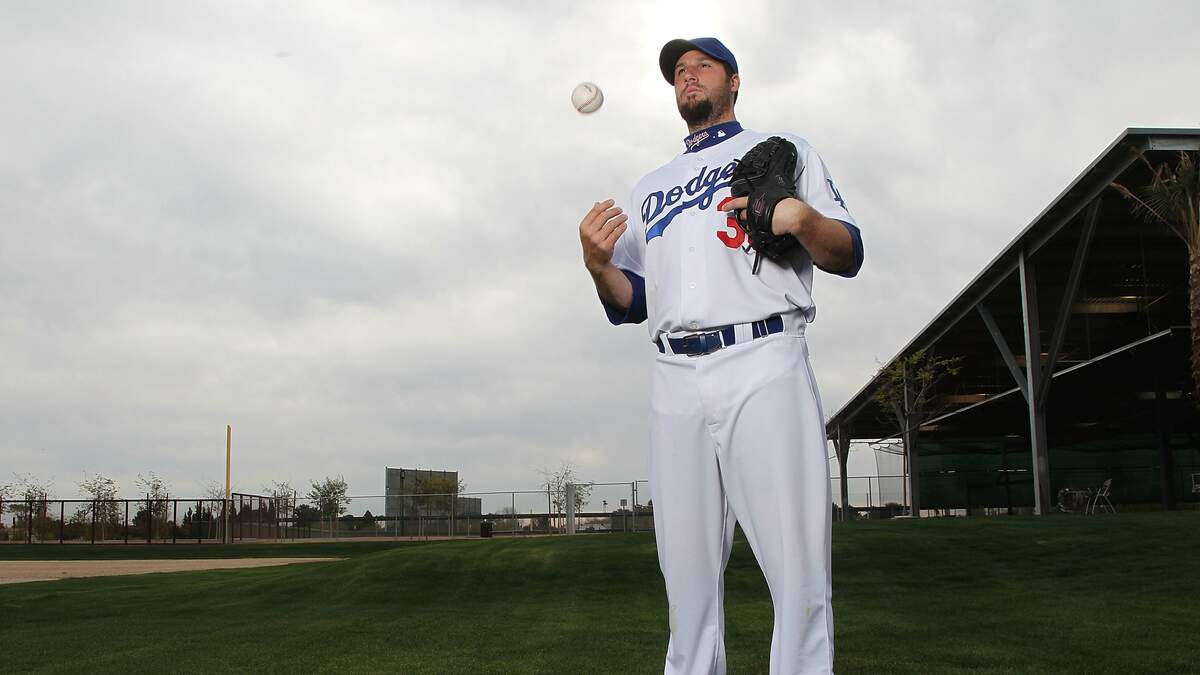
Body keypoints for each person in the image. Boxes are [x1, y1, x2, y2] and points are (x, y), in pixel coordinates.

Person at [578, 37, 863, 675]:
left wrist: (800, 219)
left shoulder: (785, 152)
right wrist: (598, 265)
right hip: (673, 374)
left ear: (734, 81)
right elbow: (633, 302)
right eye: (679, 70)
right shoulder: (650, 186)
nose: (688, 75)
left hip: (762, 357)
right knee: (685, 574)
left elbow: (847, 251)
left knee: (797, 568)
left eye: (702, 65)